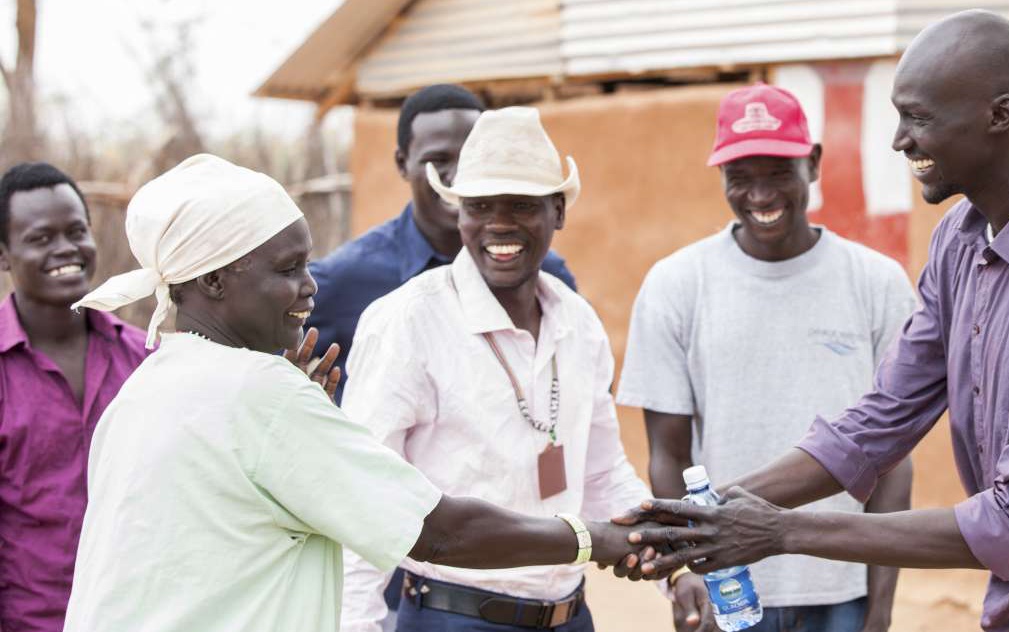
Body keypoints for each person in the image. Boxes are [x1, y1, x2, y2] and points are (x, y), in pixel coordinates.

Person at [617, 11, 1009, 632]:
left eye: (919, 117)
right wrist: (706, 516)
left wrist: (781, 532)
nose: (900, 140)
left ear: (1000, 115)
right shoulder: (961, 238)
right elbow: (878, 422)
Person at [61, 154, 643, 632]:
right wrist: (598, 541)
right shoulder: (265, 396)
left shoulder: (148, 384)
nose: (310, 286)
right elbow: (438, 532)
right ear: (212, 280)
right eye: (288, 268)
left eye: (307, 264)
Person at [338, 107, 692, 632]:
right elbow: (363, 499)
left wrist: (676, 571)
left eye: (522, 205)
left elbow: (600, 471)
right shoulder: (407, 322)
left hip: (571, 615)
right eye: (480, 206)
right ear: (459, 215)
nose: (499, 224)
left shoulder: (578, 323)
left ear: (558, 212)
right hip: (452, 615)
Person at [617, 83, 914, 632]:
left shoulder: (876, 283)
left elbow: (892, 457)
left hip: (840, 585)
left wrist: (880, 605)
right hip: (726, 587)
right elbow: (667, 453)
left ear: (815, 163)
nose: (760, 194)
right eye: (740, 176)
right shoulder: (676, 284)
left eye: (779, 171)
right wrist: (683, 575)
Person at [306, 84, 576, 402]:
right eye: (437, 160)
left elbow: (577, 388)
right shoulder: (345, 278)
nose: (458, 175)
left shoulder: (547, 278)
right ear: (402, 163)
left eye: (471, 159)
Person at [0, 163, 149, 632]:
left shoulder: (146, 359)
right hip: (31, 620)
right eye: (41, 238)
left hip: (140, 614)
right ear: (4, 255)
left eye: (76, 231)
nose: (65, 249)